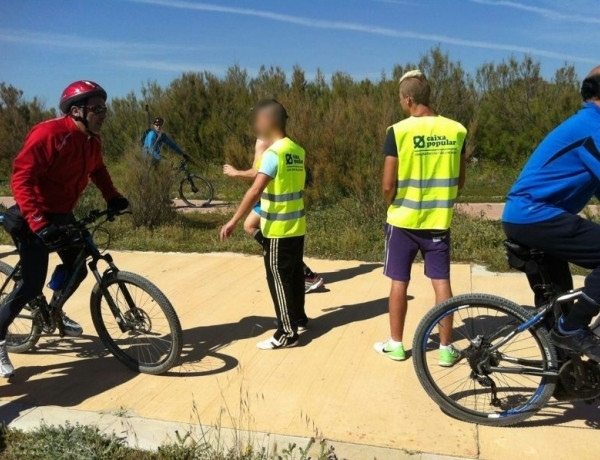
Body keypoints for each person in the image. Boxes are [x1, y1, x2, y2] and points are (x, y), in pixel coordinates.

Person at [0, 80, 129, 378]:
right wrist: (38, 222)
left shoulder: (92, 141)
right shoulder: (49, 133)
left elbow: (98, 170)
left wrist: (113, 197)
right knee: (32, 283)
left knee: (78, 265)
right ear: (76, 111)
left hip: (60, 214)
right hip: (31, 217)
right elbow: (22, 178)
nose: (103, 114)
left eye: (104, 108)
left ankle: (53, 311)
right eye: (96, 108)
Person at [503, 66, 600, 361]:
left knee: (559, 301)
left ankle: (563, 376)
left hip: (532, 217)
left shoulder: (587, 124)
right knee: (569, 319)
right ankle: (572, 329)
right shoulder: (592, 127)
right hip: (536, 216)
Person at [374, 70, 467, 366]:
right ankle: (445, 349)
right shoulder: (456, 130)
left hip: (402, 220)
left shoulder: (398, 131)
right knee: (441, 282)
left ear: (409, 99)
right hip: (438, 221)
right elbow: (459, 180)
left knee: (399, 281)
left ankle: (397, 345)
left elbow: (388, 184)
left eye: (402, 100)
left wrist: (392, 202)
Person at [220, 99, 307, 349]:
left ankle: (286, 332)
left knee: (278, 278)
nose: (255, 124)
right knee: (293, 276)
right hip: (297, 225)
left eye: (258, 119)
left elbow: (255, 189)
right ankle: (299, 318)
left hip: (278, 228)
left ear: (269, 121)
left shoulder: (273, 154)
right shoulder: (297, 151)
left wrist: (234, 220)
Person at [223, 139, 324, 294]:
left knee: (256, 230)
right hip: (275, 195)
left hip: (273, 196)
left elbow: (258, 172)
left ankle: (306, 275)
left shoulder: (264, 140)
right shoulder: (277, 141)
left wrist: (236, 173)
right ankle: (304, 274)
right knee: (250, 226)